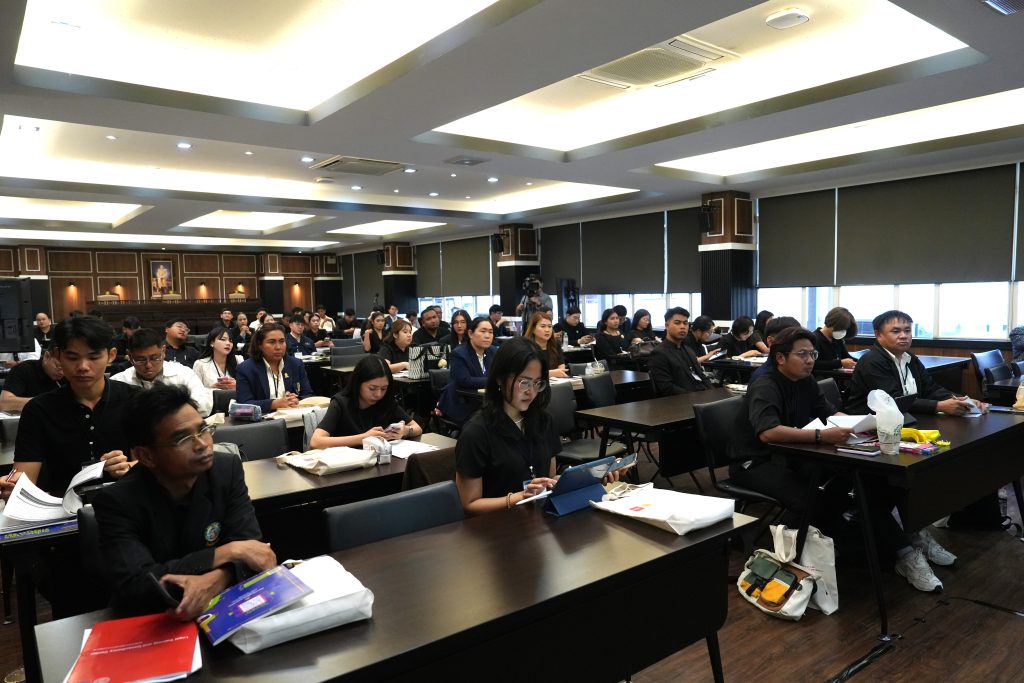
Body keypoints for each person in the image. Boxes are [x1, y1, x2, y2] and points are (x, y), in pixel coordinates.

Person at [732, 326, 957, 592]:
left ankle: (903, 542)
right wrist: (820, 436)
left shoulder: (805, 380)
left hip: (792, 455)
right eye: (802, 354)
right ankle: (891, 549)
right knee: (817, 498)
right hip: (755, 462)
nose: (810, 360)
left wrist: (863, 426)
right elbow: (768, 433)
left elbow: (829, 412)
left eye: (813, 354)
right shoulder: (766, 384)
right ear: (780, 357)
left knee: (867, 483)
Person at [93, 385, 275, 619]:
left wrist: (214, 581)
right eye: (182, 439)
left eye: (203, 430)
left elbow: (252, 548)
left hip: (220, 608)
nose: (201, 444)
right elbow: (138, 584)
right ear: (146, 455)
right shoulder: (117, 501)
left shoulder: (225, 470)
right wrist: (228, 551)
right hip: (154, 618)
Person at [454, 337, 561, 514]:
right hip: (497, 524)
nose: (531, 391)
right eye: (524, 382)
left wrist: (580, 479)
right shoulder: (476, 432)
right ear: (500, 379)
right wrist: (519, 497)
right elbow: (469, 504)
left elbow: (548, 478)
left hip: (538, 518)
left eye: (537, 383)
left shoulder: (544, 421)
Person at [846, 310, 984, 416]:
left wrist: (961, 400)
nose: (903, 336)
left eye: (907, 330)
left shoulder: (910, 358)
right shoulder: (872, 361)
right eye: (896, 331)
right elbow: (893, 401)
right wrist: (939, 406)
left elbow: (930, 388)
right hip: (868, 425)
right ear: (878, 335)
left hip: (906, 418)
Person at [309, 356, 423, 449]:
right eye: (372, 388)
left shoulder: (387, 402)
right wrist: (364, 438)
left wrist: (405, 431)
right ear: (358, 384)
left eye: (384, 389)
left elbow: (417, 428)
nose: (378, 394)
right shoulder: (340, 403)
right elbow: (316, 442)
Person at [111, 328, 213, 417]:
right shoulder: (119, 382)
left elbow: (203, 406)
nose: (148, 365)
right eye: (140, 360)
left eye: (154, 358)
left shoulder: (183, 374)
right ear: (130, 356)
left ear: (163, 351)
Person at [235, 323, 313, 412]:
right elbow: (243, 405)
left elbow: (307, 395)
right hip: (262, 419)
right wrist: (274, 404)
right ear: (260, 345)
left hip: (293, 416)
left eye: (282, 341)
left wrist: (296, 400)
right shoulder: (246, 369)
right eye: (271, 342)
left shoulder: (296, 364)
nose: (278, 347)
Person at [438, 317, 497, 425]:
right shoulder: (459, 353)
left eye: (490, 332)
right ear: (470, 334)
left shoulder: (493, 351)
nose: (487, 336)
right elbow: (465, 381)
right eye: (483, 331)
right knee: (490, 421)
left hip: (485, 401)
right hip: (462, 403)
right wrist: (494, 380)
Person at [648, 307, 712, 395]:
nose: (682, 327)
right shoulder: (659, 353)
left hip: (701, 395)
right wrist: (695, 397)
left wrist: (713, 392)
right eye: (677, 323)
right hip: (682, 399)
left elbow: (701, 376)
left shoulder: (688, 350)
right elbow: (667, 387)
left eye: (685, 323)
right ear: (667, 325)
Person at [0, 342, 64, 411]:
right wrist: (48, 402)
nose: (62, 373)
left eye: (66, 368)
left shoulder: (69, 373)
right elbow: (4, 402)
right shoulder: (23, 370)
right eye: (59, 366)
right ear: (46, 356)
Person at [749, 316, 801, 382]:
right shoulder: (763, 378)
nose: (810, 360)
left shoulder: (800, 372)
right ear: (771, 341)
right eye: (791, 340)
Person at [813, 307, 858, 371]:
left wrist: (862, 362)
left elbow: (846, 357)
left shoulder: (837, 339)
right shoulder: (815, 339)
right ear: (833, 324)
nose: (843, 332)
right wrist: (840, 363)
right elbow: (814, 364)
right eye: (842, 328)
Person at [523, 312, 567, 377]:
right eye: (543, 326)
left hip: (556, 381)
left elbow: (561, 368)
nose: (547, 330)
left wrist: (556, 373)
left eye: (550, 326)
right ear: (533, 329)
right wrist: (550, 373)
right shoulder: (526, 346)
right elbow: (527, 372)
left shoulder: (555, 344)